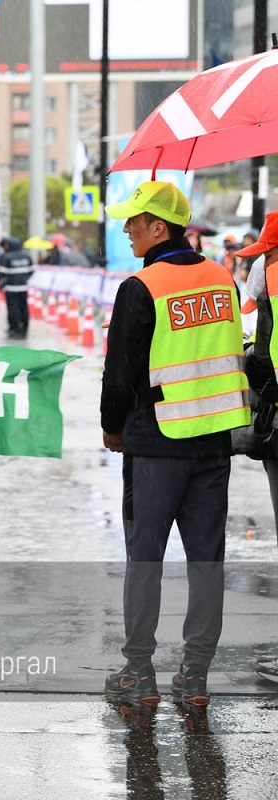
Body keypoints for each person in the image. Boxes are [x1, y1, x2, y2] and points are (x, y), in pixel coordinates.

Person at [101, 181, 250, 709]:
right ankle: (195, 676)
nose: (127, 229)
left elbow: (121, 372)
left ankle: (139, 673)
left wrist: (112, 426)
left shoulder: (141, 287)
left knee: (145, 557)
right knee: (207, 560)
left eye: (134, 221)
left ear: (158, 227)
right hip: (213, 441)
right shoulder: (222, 279)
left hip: (157, 440)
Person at [235, 212, 278, 683]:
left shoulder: (273, 287)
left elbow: (266, 362)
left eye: (268, 252)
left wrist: (249, 357)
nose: (263, 261)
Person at [0, 238, 34, 339]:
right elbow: (31, 271)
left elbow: (2, 274)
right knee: (24, 308)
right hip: (23, 288)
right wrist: (23, 279)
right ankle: (24, 329)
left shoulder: (6, 257)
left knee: (13, 309)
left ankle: (15, 329)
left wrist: (2, 285)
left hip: (11, 288)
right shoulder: (27, 256)